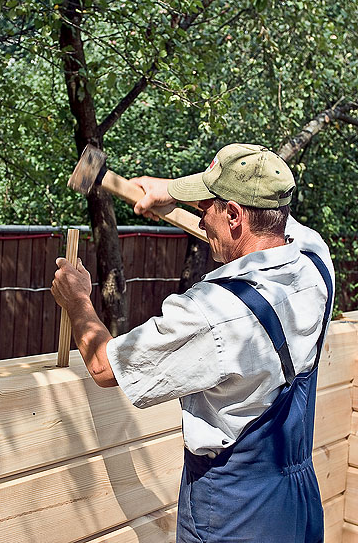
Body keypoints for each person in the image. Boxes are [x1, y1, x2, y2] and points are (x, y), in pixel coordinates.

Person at [51, 143, 334, 543]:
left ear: (234, 215)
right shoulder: (314, 262)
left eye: (208, 210)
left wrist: (78, 299)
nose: (202, 222)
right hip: (295, 501)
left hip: (234, 515)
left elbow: (104, 366)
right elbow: (264, 233)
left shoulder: (212, 312)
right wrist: (169, 193)